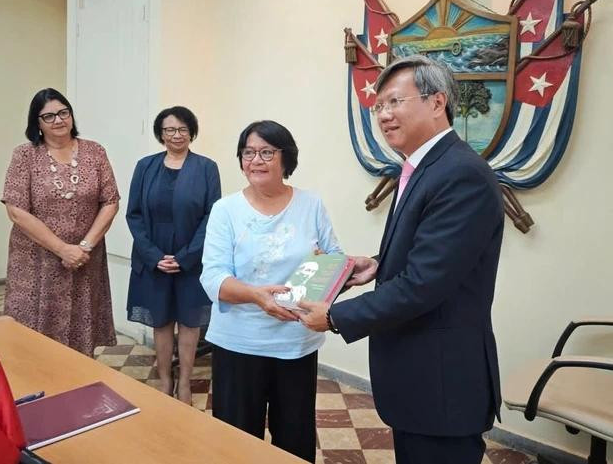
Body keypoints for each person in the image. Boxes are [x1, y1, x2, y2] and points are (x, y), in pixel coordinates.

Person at [299, 55, 504, 464]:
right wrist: (377, 263)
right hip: (418, 375)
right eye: (379, 107)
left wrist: (336, 317)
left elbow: (424, 284)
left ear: (436, 102)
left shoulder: (461, 173)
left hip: (442, 382)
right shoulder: (424, 166)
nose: (384, 116)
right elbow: (431, 254)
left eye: (394, 102)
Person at [200, 120, 342, 463]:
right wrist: (256, 296)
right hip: (239, 342)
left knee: (294, 437)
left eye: (266, 152)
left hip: (295, 342)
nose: (256, 160)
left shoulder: (311, 204)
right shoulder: (226, 210)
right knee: (235, 439)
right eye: (248, 153)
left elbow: (335, 258)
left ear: (285, 158)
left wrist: (328, 269)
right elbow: (213, 277)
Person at [2, 88, 120, 357]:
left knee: (81, 329)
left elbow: (110, 201)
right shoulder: (25, 155)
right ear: (37, 123)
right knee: (34, 335)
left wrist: (84, 247)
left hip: (84, 259)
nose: (58, 120)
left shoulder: (94, 151)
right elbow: (16, 210)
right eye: (49, 116)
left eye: (63, 112)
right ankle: (36, 384)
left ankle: (79, 382)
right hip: (37, 261)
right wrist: (62, 249)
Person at [126, 106, 221, 405]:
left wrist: (186, 256)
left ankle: (184, 383)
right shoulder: (145, 166)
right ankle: (165, 380)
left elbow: (212, 216)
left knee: (190, 323)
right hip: (154, 260)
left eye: (181, 129)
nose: (176, 135)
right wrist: (154, 256)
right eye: (169, 130)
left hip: (191, 259)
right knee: (161, 321)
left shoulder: (206, 167)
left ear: (191, 132)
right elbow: (134, 215)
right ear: (160, 134)